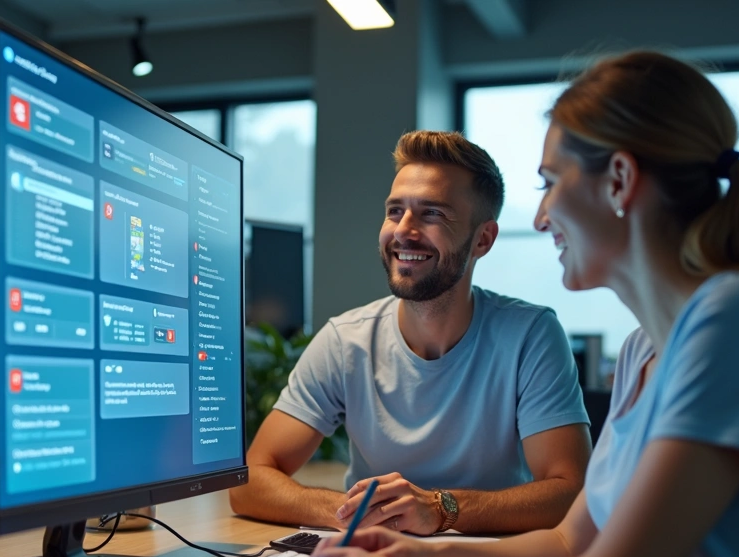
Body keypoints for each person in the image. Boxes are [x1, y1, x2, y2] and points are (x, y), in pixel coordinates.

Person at [304, 51, 739, 557]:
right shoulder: (645, 348)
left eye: (551, 183)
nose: (539, 217)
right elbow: (569, 543)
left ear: (619, 181)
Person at [230, 131, 592, 535]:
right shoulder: (345, 341)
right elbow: (249, 481)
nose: (403, 231)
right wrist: (355, 513)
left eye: (432, 214)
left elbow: (569, 491)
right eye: (394, 211)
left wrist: (439, 510)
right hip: (372, 556)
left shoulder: (530, 335)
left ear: (483, 240)